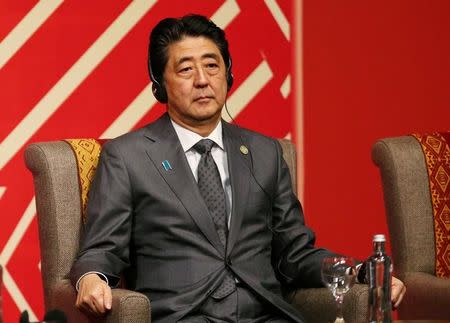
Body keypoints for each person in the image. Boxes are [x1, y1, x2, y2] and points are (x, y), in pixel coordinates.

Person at [70, 14, 405, 322]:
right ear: (160, 84)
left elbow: (295, 253)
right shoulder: (128, 156)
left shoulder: (264, 152)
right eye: (186, 69)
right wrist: (92, 278)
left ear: (229, 73)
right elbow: (103, 248)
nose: (203, 80)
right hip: (182, 316)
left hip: (265, 315)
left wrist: (361, 271)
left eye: (212, 66)